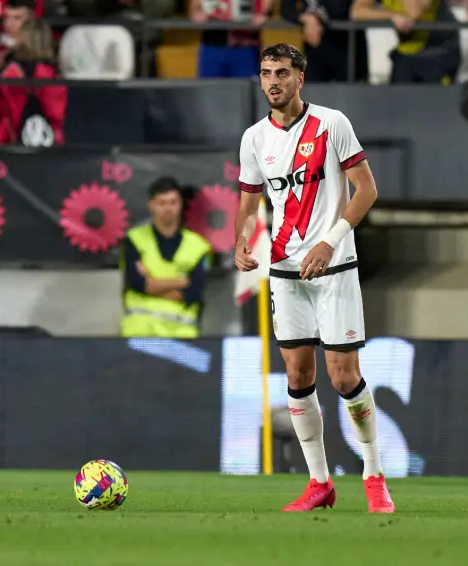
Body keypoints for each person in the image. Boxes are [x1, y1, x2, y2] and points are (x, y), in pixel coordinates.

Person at [234, 43, 394, 513]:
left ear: (300, 78)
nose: (273, 82)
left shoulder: (331, 123)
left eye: (282, 72)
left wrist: (331, 240)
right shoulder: (253, 139)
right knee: (298, 375)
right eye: (266, 73)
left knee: (344, 377)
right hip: (285, 270)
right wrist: (243, 239)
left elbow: (366, 190)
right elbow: (248, 200)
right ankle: (319, 483)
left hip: (334, 265)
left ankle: (373, 474)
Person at [120, 177, 213, 339]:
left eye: (172, 202)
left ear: (181, 204)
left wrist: (152, 283)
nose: (168, 208)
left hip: (182, 336)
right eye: (162, 203)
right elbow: (137, 284)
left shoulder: (199, 247)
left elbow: (194, 293)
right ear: (151, 205)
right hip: (139, 335)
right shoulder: (135, 240)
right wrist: (180, 281)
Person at [0, 18, 66, 146]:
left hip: (9, 142)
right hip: (48, 142)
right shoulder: (54, 74)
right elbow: (57, 114)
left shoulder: (8, 72)